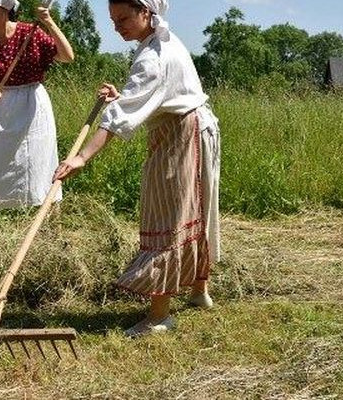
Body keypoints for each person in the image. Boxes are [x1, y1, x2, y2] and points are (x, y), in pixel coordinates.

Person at [53, 0, 221, 338]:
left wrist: (82, 157)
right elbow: (150, 95)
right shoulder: (161, 42)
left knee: (168, 215)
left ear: (146, 12)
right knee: (196, 210)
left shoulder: (152, 56)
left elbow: (120, 118)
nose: (117, 27)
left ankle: (160, 317)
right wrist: (122, 95)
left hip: (182, 135)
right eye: (113, 20)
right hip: (190, 128)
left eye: (124, 18)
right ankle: (198, 291)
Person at [0, 0, 75, 230]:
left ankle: (54, 234)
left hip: (34, 108)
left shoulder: (30, 32)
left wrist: (48, 22)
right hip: (0, 109)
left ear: (6, 10)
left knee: (42, 167)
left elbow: (67, 56)